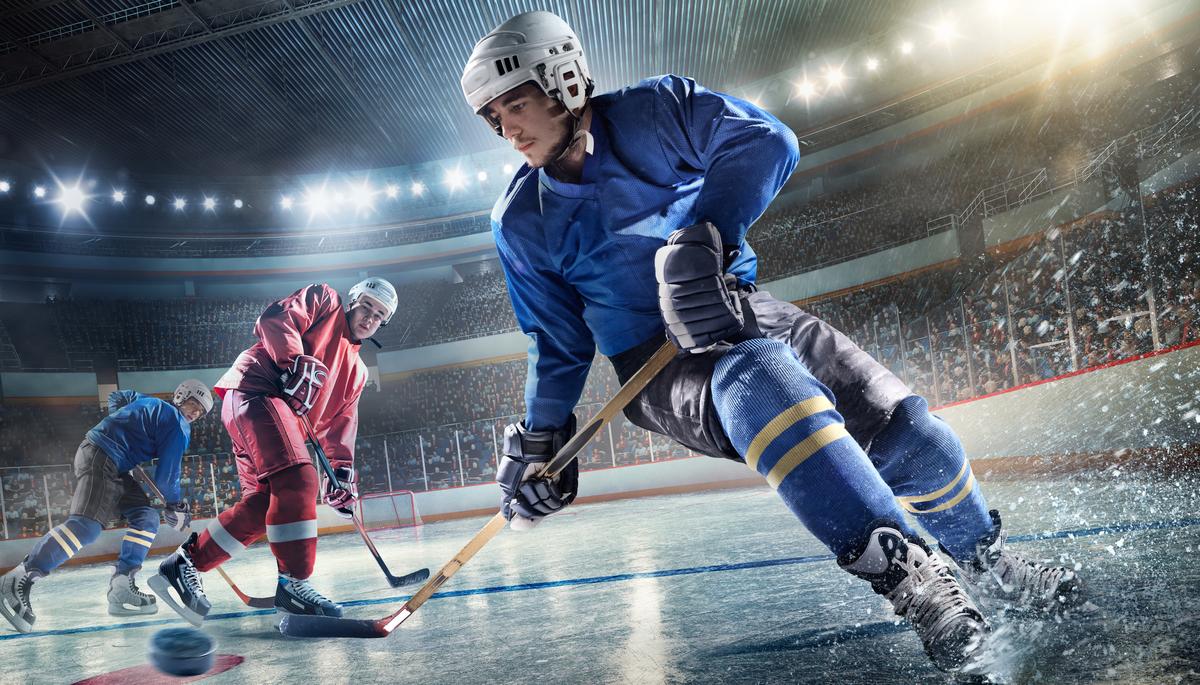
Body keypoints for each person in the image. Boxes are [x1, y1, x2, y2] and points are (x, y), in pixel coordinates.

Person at [461, 11, 1085, 673]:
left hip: (740, 306)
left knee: (909, 434)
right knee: (756, 375)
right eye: (494, 118)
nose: (508, 130)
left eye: (516, 105)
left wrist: (708, 236)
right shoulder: (519, 221)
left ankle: (993, 564)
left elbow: (766, 141)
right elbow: (556, 341)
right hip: (658, 367)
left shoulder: (653, 109)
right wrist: (542, 436)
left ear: (563, 80)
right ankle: (911, 576)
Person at [149, 278, 396, 626]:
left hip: (274, 418)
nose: (370, 317)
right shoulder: (324, 300)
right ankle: (295, 584)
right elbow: (274, 319)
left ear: (383, 323)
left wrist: (340, 474)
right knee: (298, 479)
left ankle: (184, 565)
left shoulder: (356, 373)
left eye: (380, 314)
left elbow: (340, 425)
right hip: (257, 389)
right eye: (366, 306)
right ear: (352, 301)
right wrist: (296, 361)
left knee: (263, 505)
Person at [0, 380, 212, 633]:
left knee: (146, 518)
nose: (194, 413)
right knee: (86, 527)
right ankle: (19, 578)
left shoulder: (148, 401)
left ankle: (122, 584)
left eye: (199, 411)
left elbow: (120, 397)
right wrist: (175, 504)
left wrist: (124, 429)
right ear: (180, 397)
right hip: (103, 456)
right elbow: (167, 476)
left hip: (110, 460)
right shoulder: (178, 425)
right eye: (192, 404)